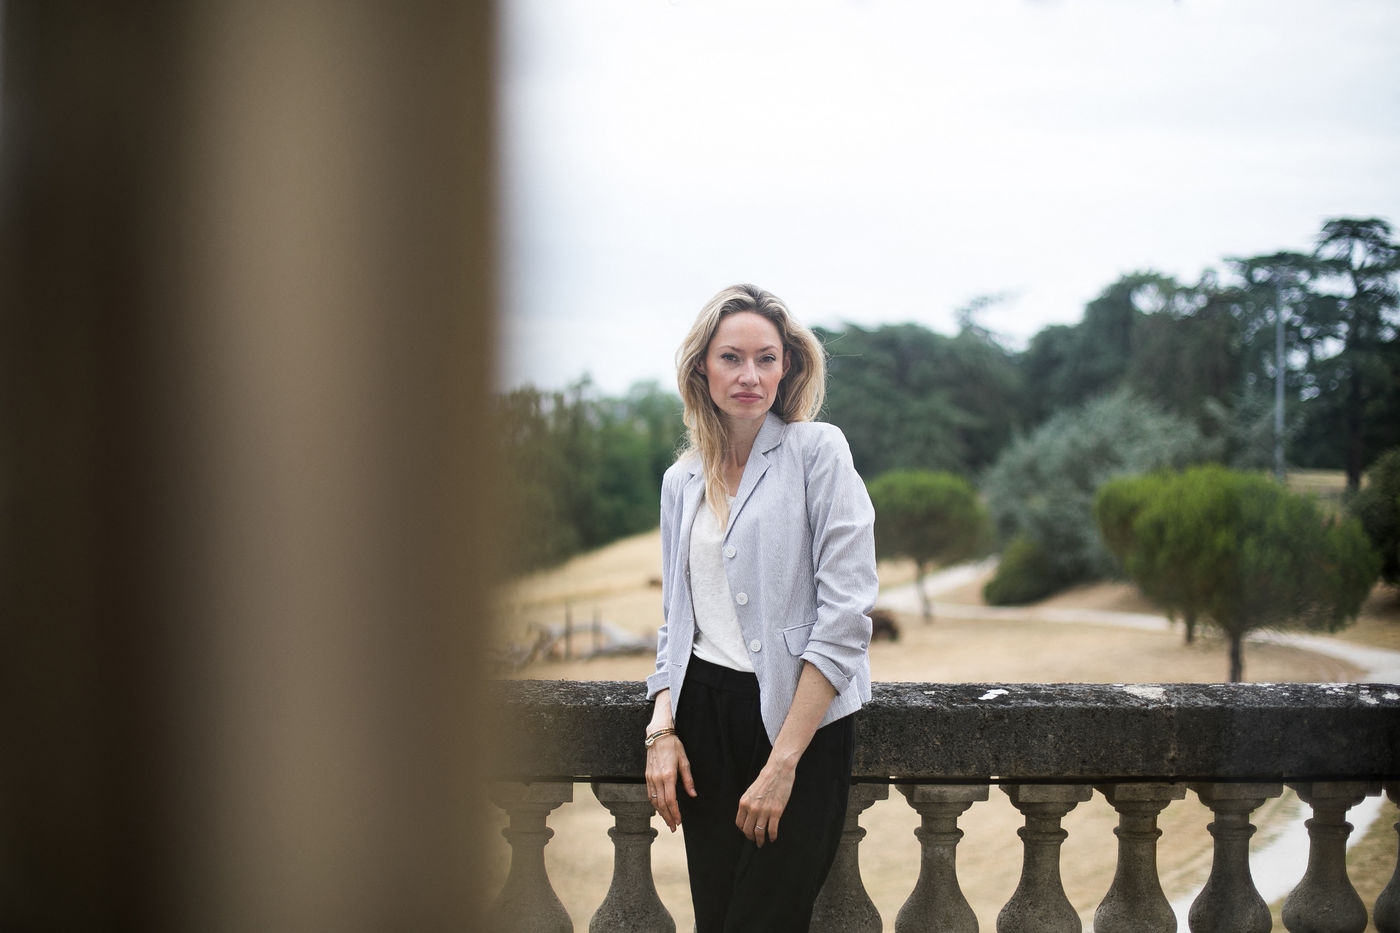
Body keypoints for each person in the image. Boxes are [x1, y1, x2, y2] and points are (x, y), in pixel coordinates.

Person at [644, 284, 878, 932]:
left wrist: (783, 762)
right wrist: (662, 729)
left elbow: (845, 618)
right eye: (731, 357)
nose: (749, 375)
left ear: (787, 367)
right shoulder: (680, 481)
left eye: (766, 358)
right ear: (702, 368)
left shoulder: (818, 451)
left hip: (802, 724)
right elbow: (676, 624)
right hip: (703, 724)